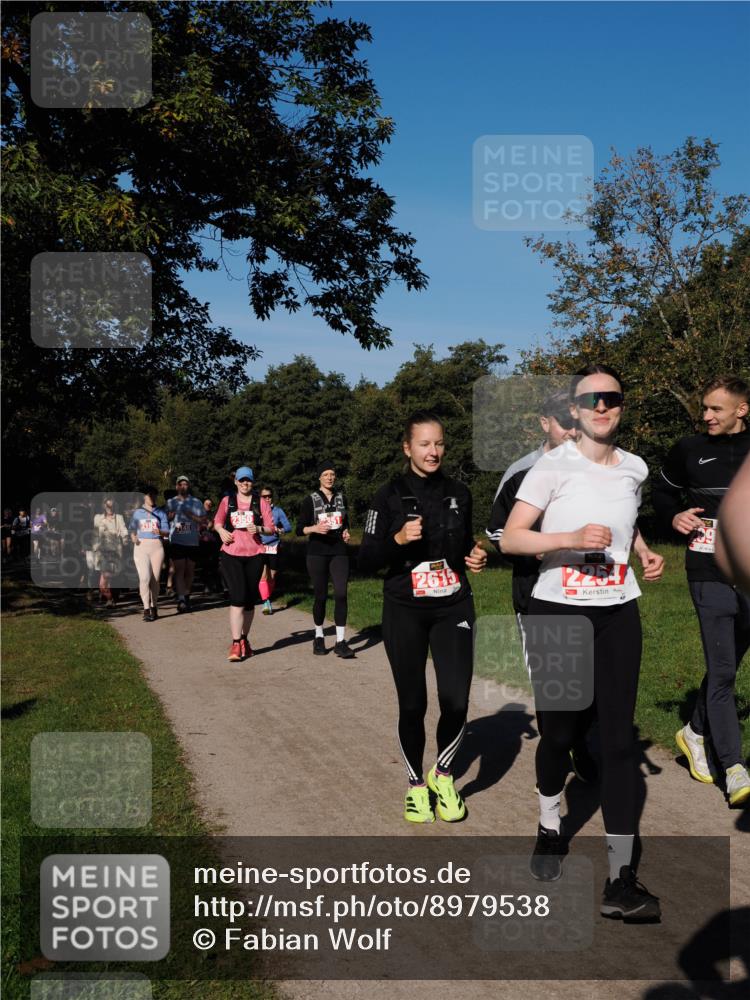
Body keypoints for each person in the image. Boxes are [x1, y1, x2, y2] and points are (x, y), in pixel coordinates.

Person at [502, 364, 664, 921]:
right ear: (574, 409)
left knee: (617, 742)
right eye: (591, 398)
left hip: (618, 610)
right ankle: (550, 828)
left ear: (621, 405)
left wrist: (640, 550)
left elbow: (629, 517)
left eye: (612, 397)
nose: (602, 406)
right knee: (560, 731)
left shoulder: (636, 468)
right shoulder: (552, 466)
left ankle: (622, 879)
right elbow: (512, 538)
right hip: (558, 610)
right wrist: (569, 538)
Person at [358, 411, 487, 824]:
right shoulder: (388, 495)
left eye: (440, 444)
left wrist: (476, 555)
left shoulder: (459, 491)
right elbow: (366, 558)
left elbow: (465, 543)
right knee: (413, 704)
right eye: (425, 444)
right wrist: (397, 540)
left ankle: (443, 775)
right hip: (405, 609)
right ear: (407, 447)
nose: (434, 452)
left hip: (453, 605)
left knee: (456, 700)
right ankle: (416, 785)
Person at [486, 389, 598, 783]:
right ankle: (557, 753)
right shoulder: (521, 471)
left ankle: (581, 743)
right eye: (565, 423)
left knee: (589, 675)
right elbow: (497, 531)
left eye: (577, 423)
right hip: (534, 591)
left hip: (585, 588)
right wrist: (531, 549)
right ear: (544, 424)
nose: (572, 432)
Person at [652, 374, 750, 808]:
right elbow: (661, 493)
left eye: (716, 409)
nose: (706, 416)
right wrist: (674, 517)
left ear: (741, 410)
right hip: (707, 569)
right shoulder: (688, 450)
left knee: (729, 663)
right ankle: (734, 767)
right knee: (724, 669)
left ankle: (693, 731)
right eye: (704, 408)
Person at [212, 466, 274, 661]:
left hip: (255, 553)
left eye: (248, 480)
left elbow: (271, 529)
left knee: (249, 601)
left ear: (252, 482)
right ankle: (235, 643)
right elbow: (217, 522)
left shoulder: (260, 502)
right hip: (231, 554)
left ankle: (245, 639)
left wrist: (258, 528)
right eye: (242, 480)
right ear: (236, 482)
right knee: (237, 598)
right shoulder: (227, 501)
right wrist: (221, 532)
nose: (245, 483)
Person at [297, 462, 354, 658]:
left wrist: (346, 533)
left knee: (341, 593)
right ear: (319, 477)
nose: (330, 477)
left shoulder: (341, 498)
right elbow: (299, 529)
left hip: (339, 551)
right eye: (326, 474)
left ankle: (340, 641)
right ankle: (319, 636)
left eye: (332, 474)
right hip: (317, 552)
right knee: (320, 596)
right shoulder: (309, 500)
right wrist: (314, 529)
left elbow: (345, 523)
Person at [129, 488, 170, 621]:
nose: (152, 496)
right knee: (145, 578)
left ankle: (154, 606)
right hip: (141, 547)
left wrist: (160, 531)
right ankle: (146, 609)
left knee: (155, 579)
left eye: (154, 494)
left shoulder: (161, 512)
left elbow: (167, 532)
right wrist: (133, 537)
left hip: (157, 547)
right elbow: (132, 530)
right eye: (149, 494)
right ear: (144, 497)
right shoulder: (137, 513)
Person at [166, 476, 205, 613]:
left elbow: (203, 521)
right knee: (179, 570)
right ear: (177, 486)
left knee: (190, 571)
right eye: (180, 484)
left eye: (185, 484)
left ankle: (186, 595)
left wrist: (191, 516)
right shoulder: (171, 502)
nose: (183, 486)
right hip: (177, 541)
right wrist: (169, 517)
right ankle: (181, 598)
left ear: (189, 486)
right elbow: (165, 520)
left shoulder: (196, 502)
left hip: (192, 541)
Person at [258, 486, 292, 614]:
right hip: (260, 545)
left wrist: (281, 530)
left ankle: (267, 597)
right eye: (264, 496)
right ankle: (266, 602)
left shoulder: (278, 511)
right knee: (263, 575)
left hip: (274, 545)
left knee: (272, 576)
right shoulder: (256, 511)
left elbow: (288, 527)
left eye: (269, 496)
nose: (267, 498)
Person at [93, 497, 129, 607]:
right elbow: (95, 534)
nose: (110, 508)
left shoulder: (119, 518)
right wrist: (94, 548)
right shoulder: (98, 518)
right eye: (108, 506)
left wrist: (125, 538)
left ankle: (110, 598)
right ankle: (109, 597)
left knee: (109, 578)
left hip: (115, 552)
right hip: (101, 552)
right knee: (104, 581)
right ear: (103, 506)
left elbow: (123, 530)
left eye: (111, 506)